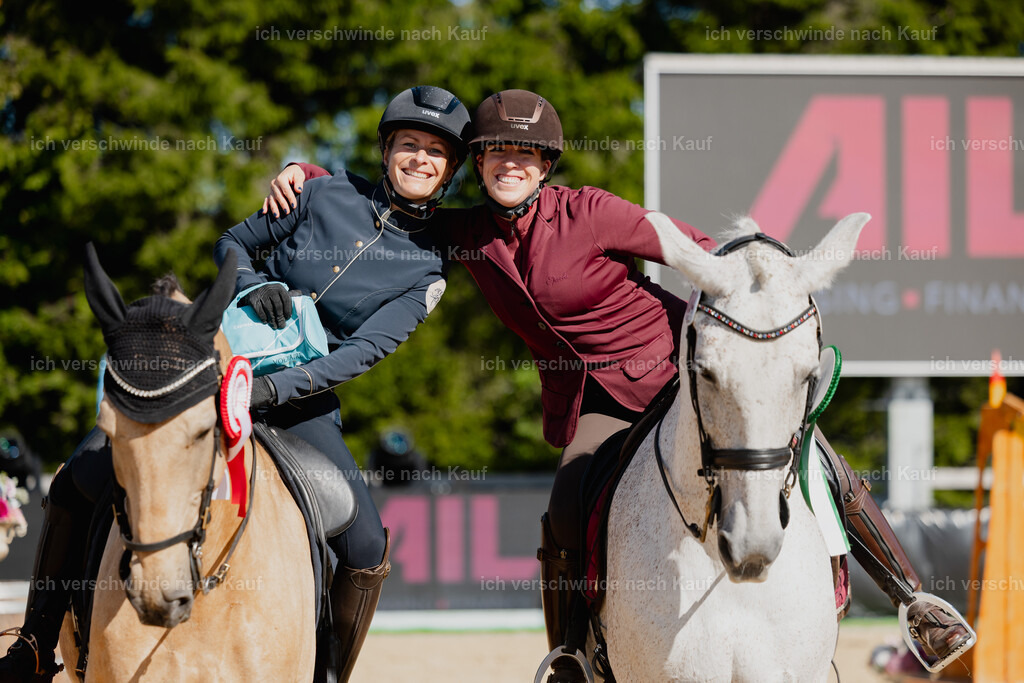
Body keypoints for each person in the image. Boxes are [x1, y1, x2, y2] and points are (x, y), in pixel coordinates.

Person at [269, 89, 972, 680]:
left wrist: (762, 271)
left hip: (677, 367)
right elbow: (388, 208)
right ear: (477, 163)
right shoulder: (466, 233)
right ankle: (571, 651)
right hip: (596, 398)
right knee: (568, 499)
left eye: (525, 154)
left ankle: (916, 600)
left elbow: (695, 249)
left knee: (817, 460)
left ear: (546, 165)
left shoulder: (593, 212)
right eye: (495, 153)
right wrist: (307, 173)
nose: (509, 164)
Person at [0, 85, 471, 683]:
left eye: (435, 152)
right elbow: (232, 243)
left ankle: (328, 673)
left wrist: (274, 392)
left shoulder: (428, 267)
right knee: (80, 476)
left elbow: (362, 353)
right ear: (386, 150)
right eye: (409, 144)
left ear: (451, 169)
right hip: (218, 363)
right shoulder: (321, 191)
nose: (420, 159)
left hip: (298, 402)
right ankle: (36, 645)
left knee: (366, 547)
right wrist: (252, 282)